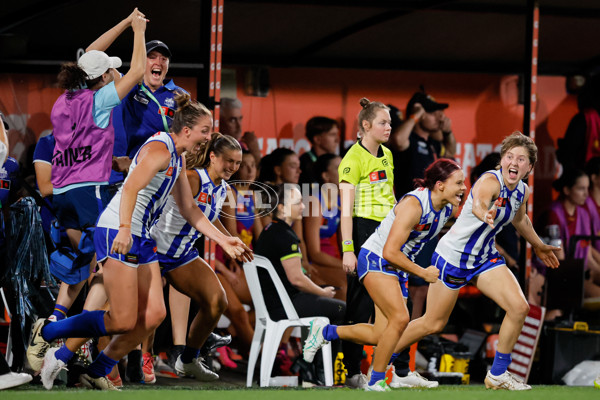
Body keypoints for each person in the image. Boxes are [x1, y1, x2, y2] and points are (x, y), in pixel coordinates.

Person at [28, 92, 251, 391]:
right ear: (186, 130)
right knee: (121, 319)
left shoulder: (177, 155)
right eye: (205, 131)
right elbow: (131, 188)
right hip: (118, 231)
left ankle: (96, 369)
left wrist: (224, 240)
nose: (208, 137)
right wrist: (122, 228)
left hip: (140, 236)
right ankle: (49, 332)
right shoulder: (161, 149)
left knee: (154, 316)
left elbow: (189, 208)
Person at [384, 132, 560, 391]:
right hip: (453, 258)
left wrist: (538, 244)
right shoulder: (490, 180)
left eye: (521, 159)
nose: (514, 162)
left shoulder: (521, 190)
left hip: (484, 258)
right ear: (502, 161)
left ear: (529, 167)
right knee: (433, 322)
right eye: (509, 156)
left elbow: (520, 219)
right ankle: (383, 362)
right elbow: (478, 201)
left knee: (519, 308)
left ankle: (498, 374)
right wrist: (482, 212)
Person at [303, 158, 466, 391]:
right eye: (458, 182)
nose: (463, 188)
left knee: (381, 333)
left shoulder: (448, 208)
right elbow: (390, 251)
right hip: (377, 259)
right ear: (440, 185)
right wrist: (422, 272)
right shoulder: (414, 205)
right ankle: (377, 379)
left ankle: (326, 331)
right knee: (401, 319)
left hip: (397, 266)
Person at [41, 9, 147, 340]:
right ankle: (73, 338)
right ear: (101, 78)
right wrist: (139, 32)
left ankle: (53, 322)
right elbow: (139, 70)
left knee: (81, 263)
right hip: (90, 193)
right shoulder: (100, 99)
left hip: (64, 193)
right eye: (110, 69)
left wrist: (126, 21)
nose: (115, 71)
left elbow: (88, 56)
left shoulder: (64, 98)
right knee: (108, 263)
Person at [151, 133, 242, 381]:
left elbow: (207, 217)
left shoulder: (222, 188)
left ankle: (189, 359)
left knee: (216, 302)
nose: (233, 167)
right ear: (212, 156)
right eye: (229, 161)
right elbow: (186, 210)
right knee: (137, 316)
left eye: (237, 163)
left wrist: (231, 240)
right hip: (153, 251)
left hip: (182, 256)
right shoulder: (192, 178)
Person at [337, 98, 395, 388]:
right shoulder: (352, 160)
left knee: (392, 303)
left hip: (388, 232)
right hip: (362, 230)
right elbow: (345, 210)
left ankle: (388, 370)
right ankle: (352, 372)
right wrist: (349, 250)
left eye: (390, 122)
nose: (389, 127)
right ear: (366, 126)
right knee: (360, 306)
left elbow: (390, 195)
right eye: (383, 122)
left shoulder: (387, 154)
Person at [254, 184, 345, 324]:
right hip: (285, 305)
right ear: (282, 208)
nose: (303, 206)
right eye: (298, 203)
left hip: (279, 301)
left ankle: (317, 346)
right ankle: (321, 346)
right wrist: (322, 293)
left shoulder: (270, 229)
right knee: (342, 309)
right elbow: (296, 280)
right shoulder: (284, 235)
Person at [389, 91, 456, 198]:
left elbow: (450, 153)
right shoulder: (409, 139)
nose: (439, 118)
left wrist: (448, 133)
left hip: (429, 208)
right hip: (408, 207)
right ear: (420, 115)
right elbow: (398, 140)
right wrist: (415, 116)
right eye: (432, 113)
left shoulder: (432, 143)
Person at [303, 153, 346, 300]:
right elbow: (314, 253)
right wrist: (346, 265)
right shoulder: (315, 201)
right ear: (326, 177)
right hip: (312, 262)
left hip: (332, 260)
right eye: (339, 168)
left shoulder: (340, 200)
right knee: (345, 286)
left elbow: (344, 245)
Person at [299, 117, 340, 184]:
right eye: (332, 135)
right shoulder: (303, 165)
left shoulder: (337, 160)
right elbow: (305, 192)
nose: (337, 140)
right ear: (317, 139)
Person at [220, 97, 261, 164]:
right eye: (233, 120)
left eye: (240, 119)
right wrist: (255, 151)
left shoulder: (241, 144)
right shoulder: (219, 149)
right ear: (220, 122)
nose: (239, 126)